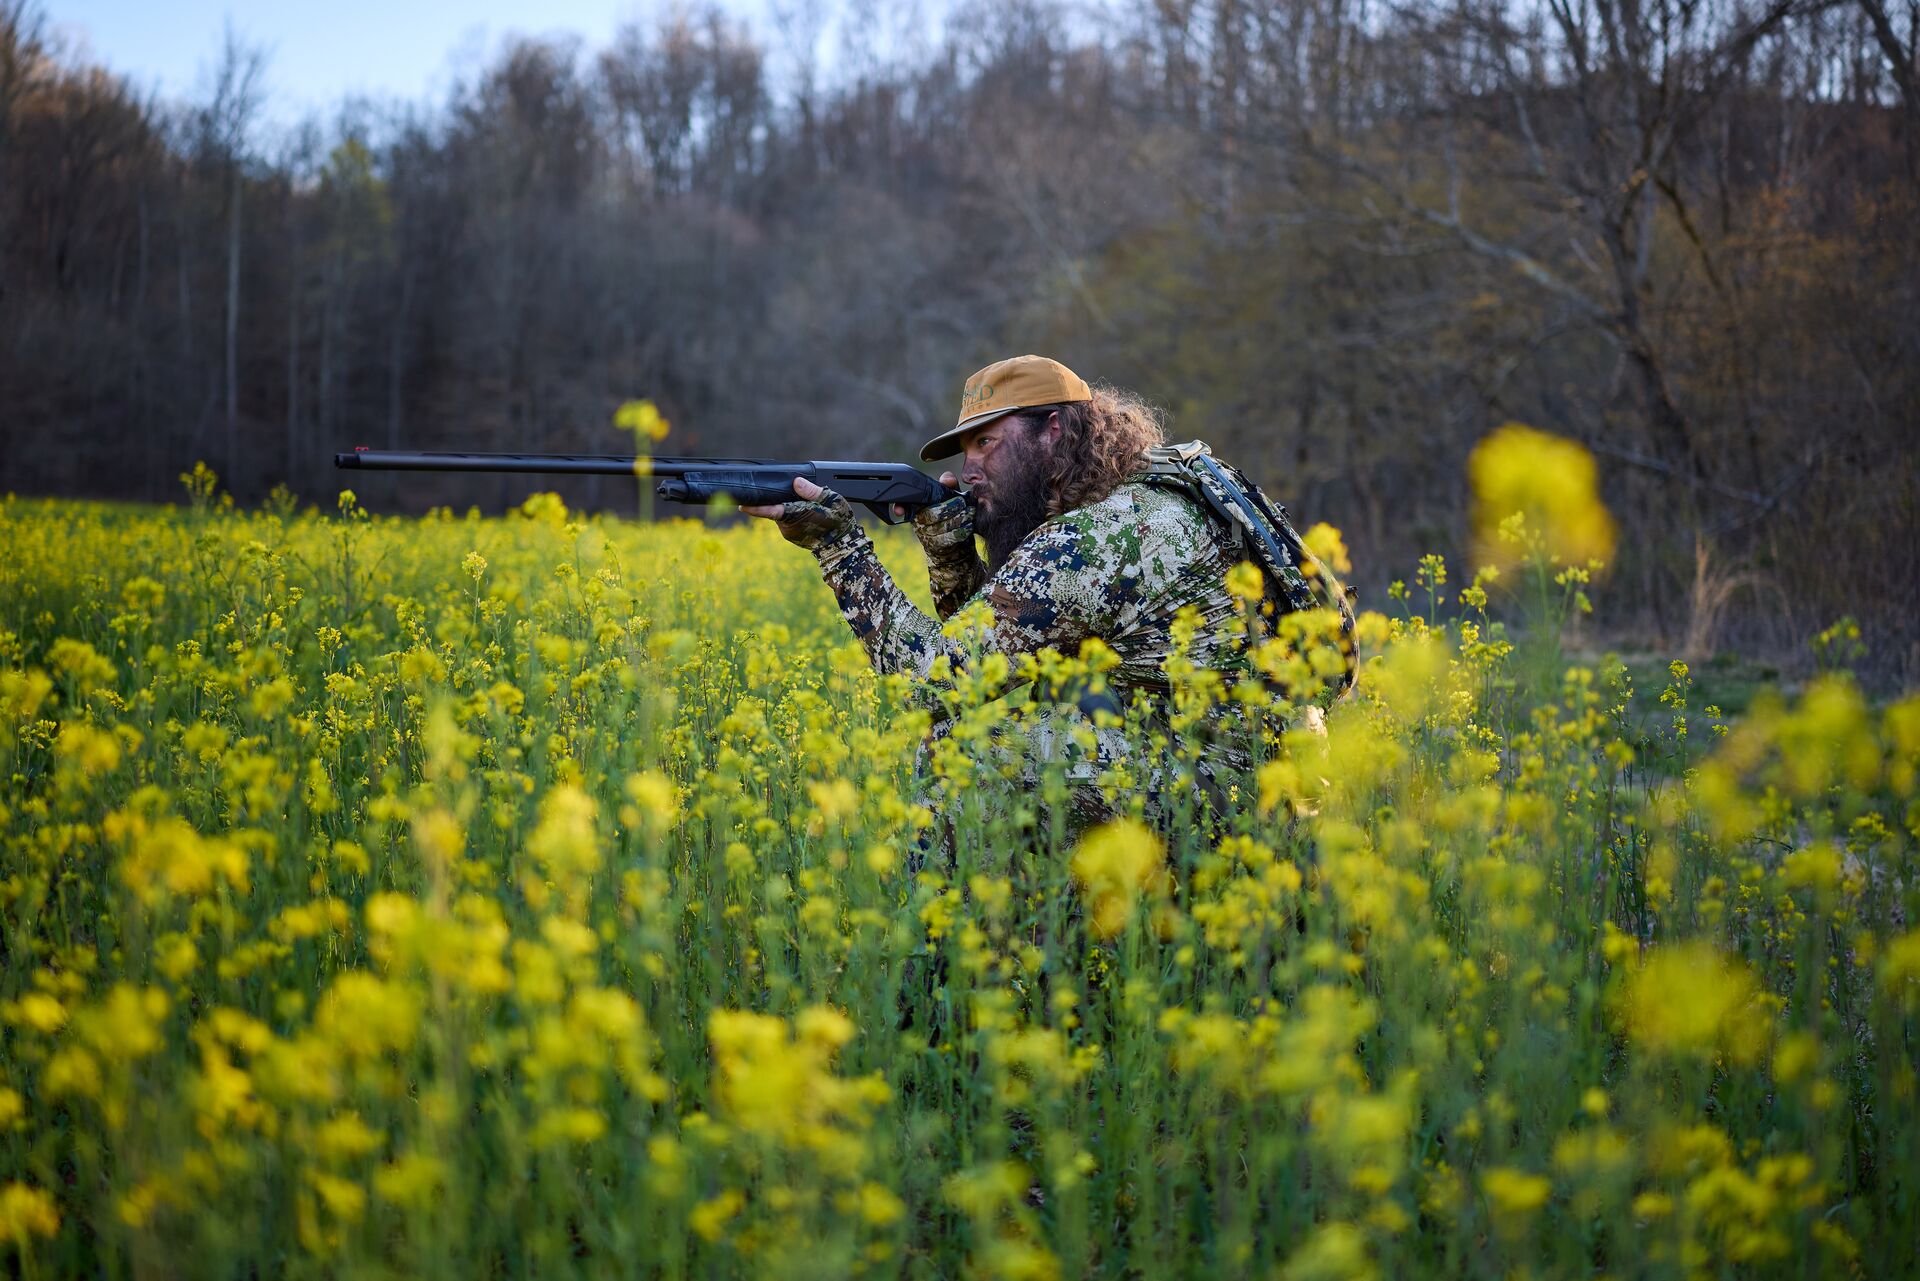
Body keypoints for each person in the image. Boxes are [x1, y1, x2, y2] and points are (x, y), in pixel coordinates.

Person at [742, 354, 1339, 840]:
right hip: (1261, 768)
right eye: (964, 451)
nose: (969, 468)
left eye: (987, 444)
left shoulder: (1095, 538)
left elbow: (935, 686)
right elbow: (1005, 655)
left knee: (958, 752)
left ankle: (953, 963)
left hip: (1230, 791)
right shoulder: (1143, 493)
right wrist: (950, 551)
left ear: (1052, 431)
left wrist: (841, 549)